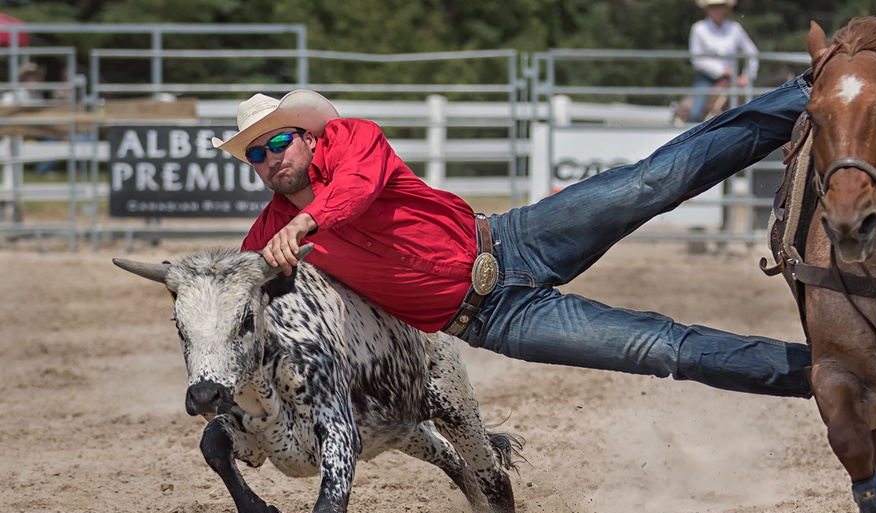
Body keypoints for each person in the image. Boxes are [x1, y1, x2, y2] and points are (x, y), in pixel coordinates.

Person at [212, 75, 813, 399]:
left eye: (277, 141)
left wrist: (304, 223)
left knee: (651, 182)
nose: (269, 159)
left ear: (307, 137)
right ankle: (831, 378)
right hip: (495, 321)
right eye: (255, 155)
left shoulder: (350, 141)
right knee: (660, 349)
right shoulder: (267, 237)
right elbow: (228, 302)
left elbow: (357, 189)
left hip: (514, 239)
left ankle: (808, 93)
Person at [687, 0, 759, 123]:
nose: (717, 11)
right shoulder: (699, 29)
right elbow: (696, 59)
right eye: (713, 7)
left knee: (753, 107)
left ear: (725, 8)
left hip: (732, 79)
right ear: (707, 9)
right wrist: (721, 70)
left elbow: (752, 52)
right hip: (706, 78)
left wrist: (747, 75)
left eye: (720, 7)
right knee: (695, 112)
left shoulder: (735, 28)